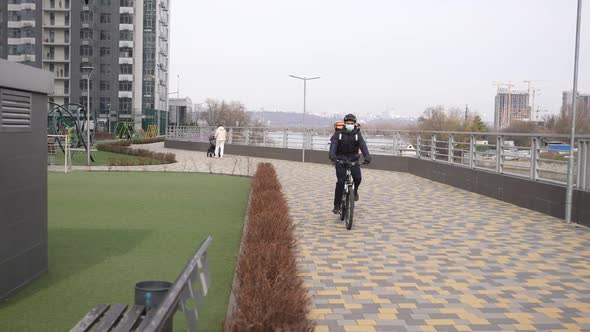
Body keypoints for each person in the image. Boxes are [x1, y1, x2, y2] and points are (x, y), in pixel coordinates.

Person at [329, 114, 371, 214]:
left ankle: (355, 190)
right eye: (348, 123)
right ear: (344, 123)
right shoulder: (338, 134)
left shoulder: (357, 135)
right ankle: (337, 206)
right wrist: (332, 156)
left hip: (353, 159)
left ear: (355, 124)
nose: (350, 125)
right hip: (341, 160)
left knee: (358, 178)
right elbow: (333, 145)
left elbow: (363, 146)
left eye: (352, 123)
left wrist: (367, 157)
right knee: (340, 182)